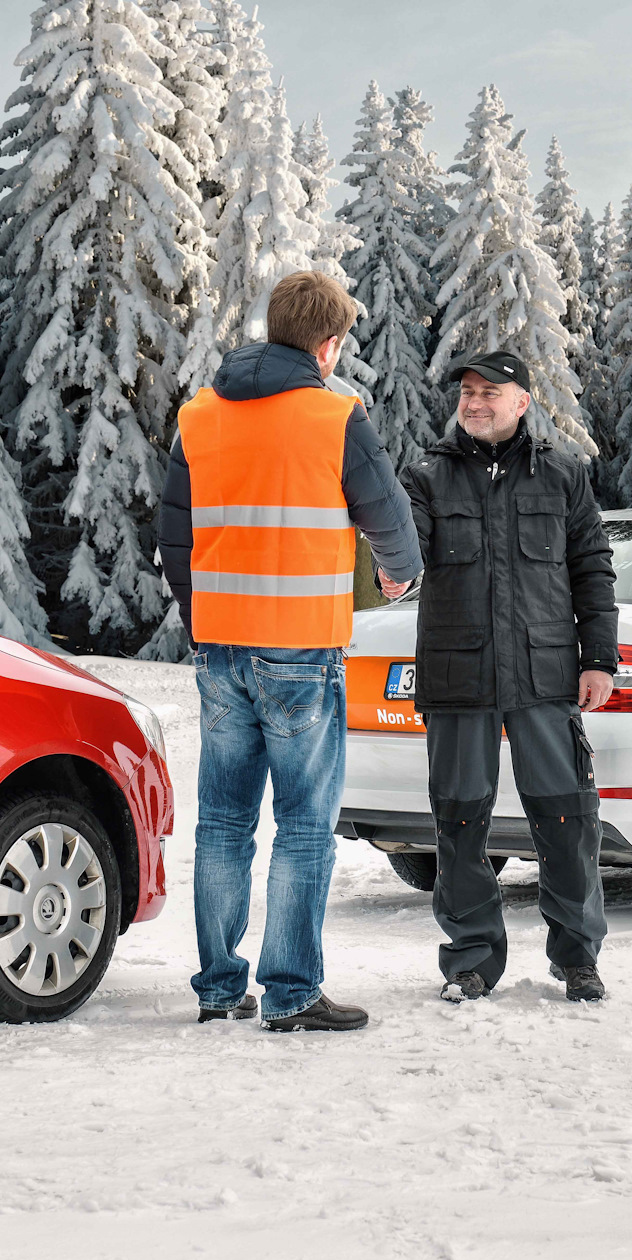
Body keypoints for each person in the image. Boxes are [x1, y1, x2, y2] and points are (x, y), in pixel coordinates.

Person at [158, 271, 421, 1032]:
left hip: (220, 649)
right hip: (300, 650)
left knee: (223, 821)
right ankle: (292, 992)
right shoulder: (335, 417)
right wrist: (400, 577)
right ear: (328, 345)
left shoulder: (199, 416)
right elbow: (389, 516)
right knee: (304, 824)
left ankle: (217, 988)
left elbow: (177, 539)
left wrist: (201, 614)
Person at [399, 352, 618, 1004]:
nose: (474, 402)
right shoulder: (426, 479)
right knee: (460, 825)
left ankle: (578, 957)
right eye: (467, 392)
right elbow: (402, 551)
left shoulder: (562, 476)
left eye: (488, 392)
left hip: (545, 676)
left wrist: (598, 659)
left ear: (522, 400)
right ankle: (470, 960)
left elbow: (593, 569)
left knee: (567, 819)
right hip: (458, 678)